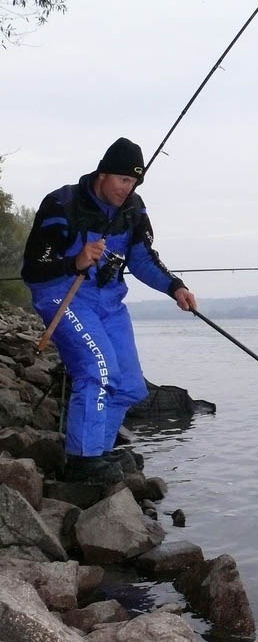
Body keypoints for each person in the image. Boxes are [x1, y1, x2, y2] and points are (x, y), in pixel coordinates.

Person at [22, 137, 197, 484]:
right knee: (97, 369)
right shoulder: (62, 203)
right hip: (61, 295)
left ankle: (98, 452)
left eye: (133, 183)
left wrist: (175, 286)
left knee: (130, 385)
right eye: (122, 180)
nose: (126, 189)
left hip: (109, 302)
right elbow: (33, 269)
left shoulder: (134, 210)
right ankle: (82, 461)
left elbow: (144, 259)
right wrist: (76, 261)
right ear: (103, 174)